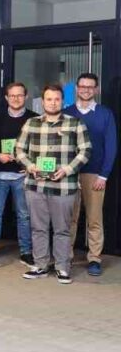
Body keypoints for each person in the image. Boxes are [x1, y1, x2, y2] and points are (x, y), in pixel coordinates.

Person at [16, 85, 90, 284]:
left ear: (62, 101)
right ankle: (40, 265)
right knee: (38, 228)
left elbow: (85, 151)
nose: (53, 103)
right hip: (36, 185)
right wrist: (30, 166)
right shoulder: (31, 123)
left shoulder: (75, 123)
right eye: (49, 99)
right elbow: (19, 150)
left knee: (62, 229)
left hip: (64, 187)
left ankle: (62, 268)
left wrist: (67, 169)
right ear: (43, 101)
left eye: (57, 99)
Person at [64, 72, 117, 277]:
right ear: (77, 88)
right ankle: (66, 257)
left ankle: (94, 258)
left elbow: (111, 146)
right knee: (69, 219)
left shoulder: (105, 114)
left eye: (90, 87)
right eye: (82, 86)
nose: (86, 90)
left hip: (95, 174)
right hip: (69, 174)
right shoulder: (66, 113)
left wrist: (104, 175)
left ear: (96, 89)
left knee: (94, 219)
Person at [0, 83, 37, 267]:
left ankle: (26, 252)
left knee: (24, 215)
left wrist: (29, 165)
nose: (16, 99)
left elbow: (39, 146)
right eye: (12, 96)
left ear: (26, 97)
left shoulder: (34, 119)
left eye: (19, 95)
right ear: (6, 98)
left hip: (22, 175)